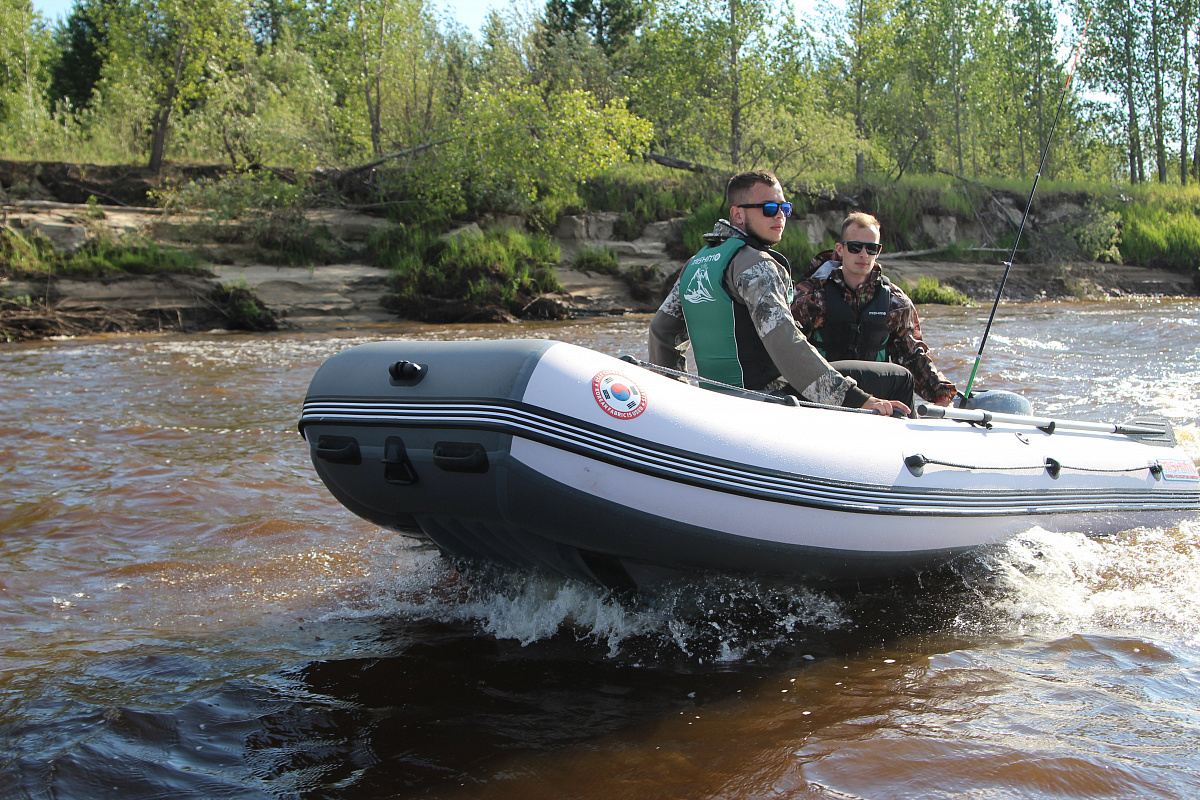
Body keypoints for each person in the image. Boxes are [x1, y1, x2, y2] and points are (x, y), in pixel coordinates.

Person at [648, 172, 909, 417]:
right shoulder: (757, 265)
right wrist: (855, 398)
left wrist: (677, 394)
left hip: (719, 400)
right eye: (769, 209)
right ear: (737, 215)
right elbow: (785, 341)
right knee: (900, 379)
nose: (780, 216)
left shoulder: (696, 263)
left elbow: (662, 331)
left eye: (784, 208)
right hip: (766, 401)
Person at [792, 212, 957, 407]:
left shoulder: (896, 302)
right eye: (855, 247)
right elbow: (790, 349)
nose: (863, 254)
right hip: (824, 394)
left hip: (878, 398)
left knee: (903, 377)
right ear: (840, 249)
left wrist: (941, 394)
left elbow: (912, 355)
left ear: (878, 252)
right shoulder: (811, 298)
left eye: (871, 249)